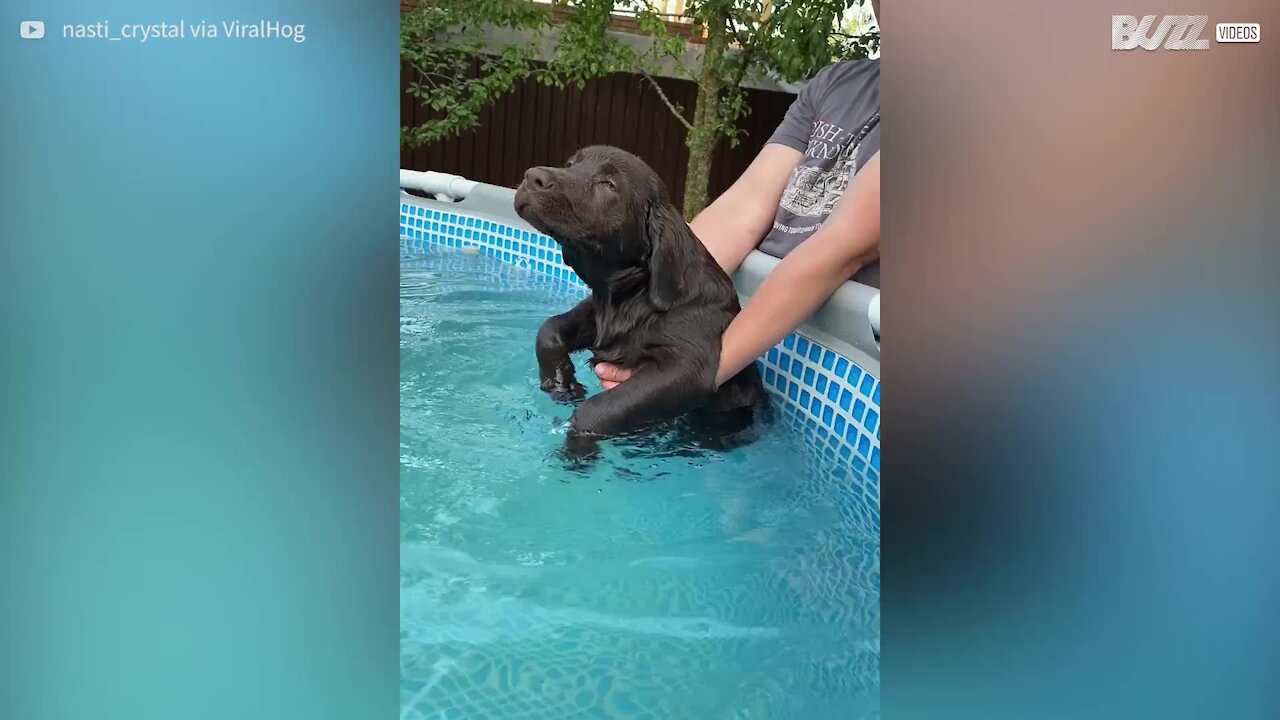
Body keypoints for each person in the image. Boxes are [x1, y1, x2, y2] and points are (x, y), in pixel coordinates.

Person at [595, 54, 882, 391]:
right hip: (750, 338)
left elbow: (842, 249)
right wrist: (636, 317)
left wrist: (682, 375)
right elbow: (743, 207)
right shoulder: (838, 81)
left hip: (838, 369)